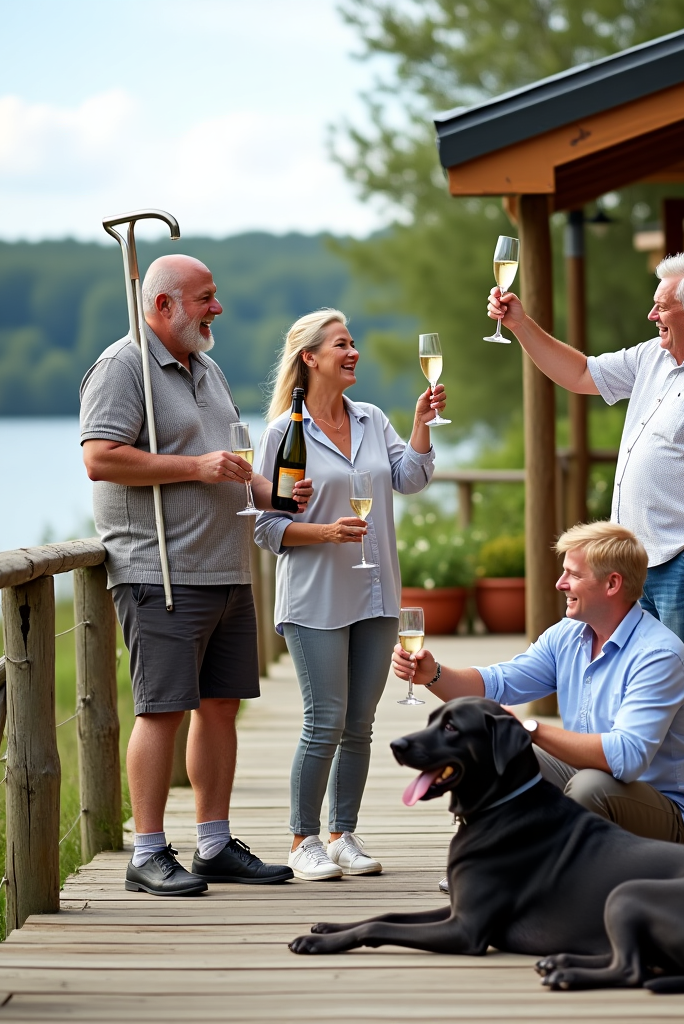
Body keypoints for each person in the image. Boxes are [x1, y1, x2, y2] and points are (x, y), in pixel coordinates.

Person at [487, 251, 684, 858]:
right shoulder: (654, 359)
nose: (651, 315)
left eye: (661, 306)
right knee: (642, 696)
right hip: (637, 569)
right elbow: (578, 374)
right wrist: (520, 323)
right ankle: (642, 824)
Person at [80, 254, 311, 896]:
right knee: (162, 710)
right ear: (163, 305)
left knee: (220, 707)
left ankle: (213, 844)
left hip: (226, 568)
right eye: (205, 297)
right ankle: (148, 852)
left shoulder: (206, 368)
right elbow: (100, 458)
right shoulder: (122, 366)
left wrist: (274, 494)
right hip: (160, 569)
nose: (217, 308)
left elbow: (229, 461)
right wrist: (195, 468)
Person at [255, 309, 446, 881]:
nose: (353, 351)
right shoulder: (283, 434)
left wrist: (421, 423)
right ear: (310, 358)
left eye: (353, 342)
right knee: (325, 720)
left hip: (375, 593)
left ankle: (342, 836)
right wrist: (324, 532)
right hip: (315, 597)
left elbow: (410, 477)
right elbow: (266, 528)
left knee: (359, 723)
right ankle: (302, 840)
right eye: (341, 344)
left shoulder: (371, 420)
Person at [393, 521, 684, 851]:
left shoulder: (658, 655)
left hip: (663, 819)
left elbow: (625, 758)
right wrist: (433, 674)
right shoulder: (568, 635)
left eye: (573, 574)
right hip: (589, 780)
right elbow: (497, 684)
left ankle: (566, 872)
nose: (560, 583)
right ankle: (487, 857)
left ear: (612, 583)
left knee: (588, 786)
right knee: (494, 750)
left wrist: (529, 729)